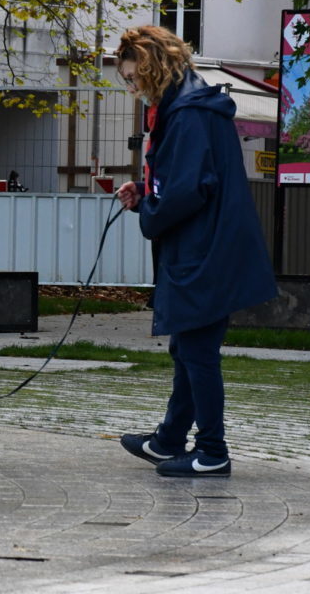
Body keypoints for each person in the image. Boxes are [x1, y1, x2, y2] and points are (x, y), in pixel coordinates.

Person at [113, 25, 278, 478]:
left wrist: (149, 210)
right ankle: (168, 440)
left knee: (198, 351)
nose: (131, 88)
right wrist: (145, 191)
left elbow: (186, 193)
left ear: (154, 69)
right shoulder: (191, 107)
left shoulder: (187, 114)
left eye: (134, 78)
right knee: (188, 347)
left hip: (205, 251)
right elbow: (189, 180)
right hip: (207, 246)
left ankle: (212, 451)